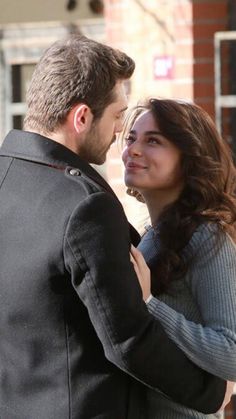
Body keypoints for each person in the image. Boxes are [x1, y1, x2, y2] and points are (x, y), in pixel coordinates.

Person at [0, 35, 226, 419]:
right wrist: (211, 394)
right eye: (118, 117)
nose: (121, 133)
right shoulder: (84, 204)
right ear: (82, 117)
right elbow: (128, 339)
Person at [122, 98, 236, 418]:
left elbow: (232, 353)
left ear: (189, 160)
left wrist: (149, 305)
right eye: (131, 138)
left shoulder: (206, 238)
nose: (134, 149)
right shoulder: (150, 238)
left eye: (153, 140)